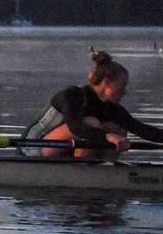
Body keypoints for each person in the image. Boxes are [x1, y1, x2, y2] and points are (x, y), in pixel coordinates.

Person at [21, 50, 162, 159]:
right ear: (107, 82)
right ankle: (83, 172)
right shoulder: (72, 95)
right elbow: (75, 127)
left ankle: (107, 170)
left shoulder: (112, 108)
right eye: (122, 85)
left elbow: (141, 129)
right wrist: (108, 136)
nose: (124, 91)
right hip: (33, 146)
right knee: (92, 123)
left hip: (64, 147)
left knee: (118, 128)